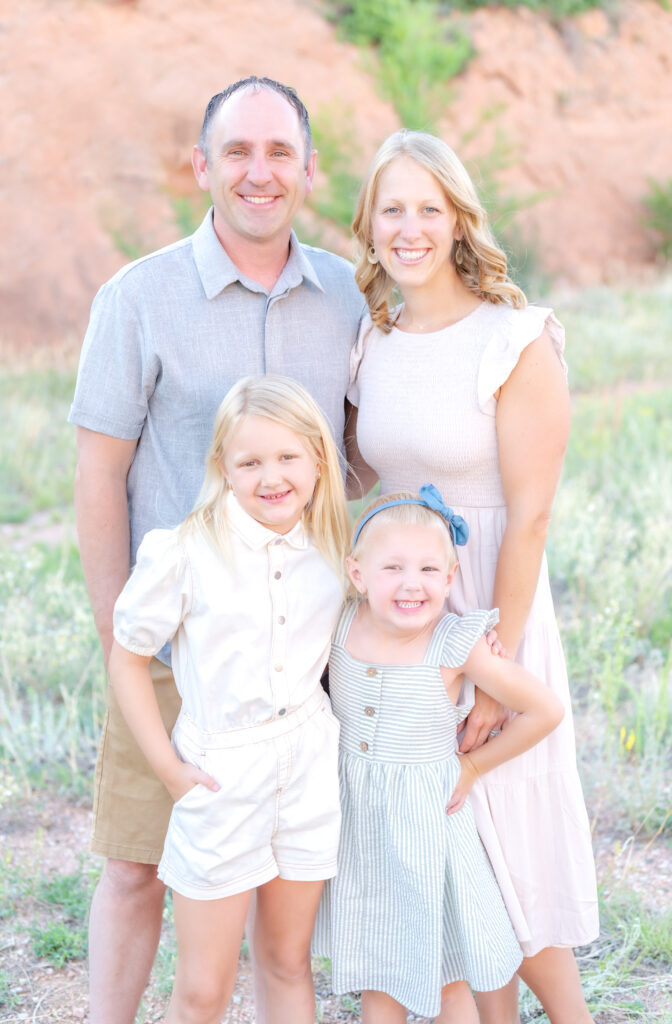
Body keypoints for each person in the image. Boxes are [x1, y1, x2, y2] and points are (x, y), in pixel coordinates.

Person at [68, 76, 363, 1024]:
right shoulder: (140, 296)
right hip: (172, 633)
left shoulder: (349, 296)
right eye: (237, 150)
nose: (259, 170)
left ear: (310, 172)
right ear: (201, 165)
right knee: (134, 865)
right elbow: (97, 477)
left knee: (285, 900)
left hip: (304, 647)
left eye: (280, 152)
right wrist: (124, 632)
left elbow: (359, 457)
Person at [344, 130, 599, 1024]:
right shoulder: (371, 341)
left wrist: (496, 660)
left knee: (512, 843)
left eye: (427, 207)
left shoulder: (515, 339)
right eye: (392, 208)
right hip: (404, 612)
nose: (409, 227)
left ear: (458, 220)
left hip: (493, 608)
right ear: (368, 225)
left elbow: (529, 516)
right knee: (446, 857)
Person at [108, 374, 350, 1023]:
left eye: (287, 457)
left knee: (288, 962)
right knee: (204, 989)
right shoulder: (186, 552)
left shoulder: (332, 548)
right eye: (250, 462)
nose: (271, 477)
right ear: (222, 466)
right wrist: (169, 770)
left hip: (306, 769)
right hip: (219, 778)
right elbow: (128, 657)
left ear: (318, 459)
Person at [313, 488, 564, 1024]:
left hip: (429, 832)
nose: (412, 583)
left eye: (430, 568)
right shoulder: (338, 626)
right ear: (357, 574)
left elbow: (545, 710)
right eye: (393, 568)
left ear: (449, 580)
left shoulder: (454, 643)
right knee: (380, 976)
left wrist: (472, 766)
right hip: (361, 832)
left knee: (446, 980)